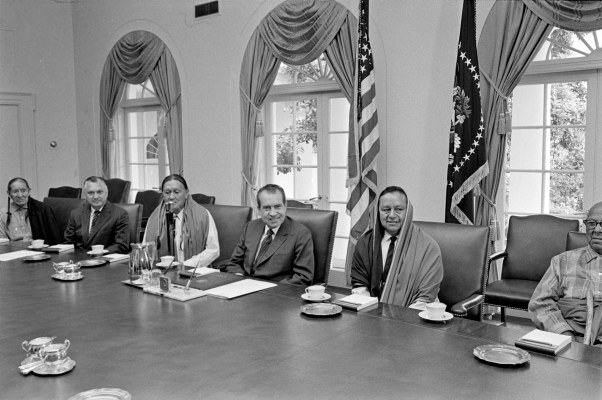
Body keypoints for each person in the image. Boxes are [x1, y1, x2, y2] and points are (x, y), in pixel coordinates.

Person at [350, 186, 444, 307]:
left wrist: (399, 320)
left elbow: (426, 296)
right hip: (372, 315)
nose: (392, 215)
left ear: (408, 211)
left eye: (399, 209)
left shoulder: (428, 247)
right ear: (378, 211)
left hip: (415, 316)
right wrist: (372, 314)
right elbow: (360, 285)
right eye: (386, 209)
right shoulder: (366, 243)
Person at [529, 201, 602, 345]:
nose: (597, 230)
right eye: (592, 223)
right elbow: (540, 303)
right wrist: (564, 335)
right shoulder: (562, 261)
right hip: (570, 340)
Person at [223, 184, 314, 286]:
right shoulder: (251, 227)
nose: (273, 213)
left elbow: (303, 277)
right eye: (267, 208)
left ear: (285, 206)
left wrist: (269, 290)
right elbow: (235, 262)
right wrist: (239, 279)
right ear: (258, 209)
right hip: (243, 289)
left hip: (276, 294)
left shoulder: (300, 233)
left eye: (277, 206)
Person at [144, 174, 219, 268]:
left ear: (186, 193)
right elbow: (146, 249)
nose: (171, 197)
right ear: (162, 195)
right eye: (167, 192)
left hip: (194, 272)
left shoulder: (203, 215)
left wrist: (185, 266)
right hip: (162, 273)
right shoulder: (155, 217)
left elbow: (213, 250)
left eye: (176, 192)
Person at [64, 176, 130, 253]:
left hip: (104, 260)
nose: (95, 197)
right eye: (91, 193)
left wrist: (99, 253)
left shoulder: (120, 214)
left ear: (107, 192)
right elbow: (68, 243)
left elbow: (121, 245)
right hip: (79, 261)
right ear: (85, 194)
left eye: (99, 192)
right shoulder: (76, 214)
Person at [0, 177, 62, 244]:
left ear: (29, 191)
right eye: (15, 191)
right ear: (9, 194)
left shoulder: (42, 210)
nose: (20, 195)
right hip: (13, 250)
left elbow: (55, 239)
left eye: (23, 191)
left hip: (39, 250)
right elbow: (2, 242)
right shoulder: (3, 213)